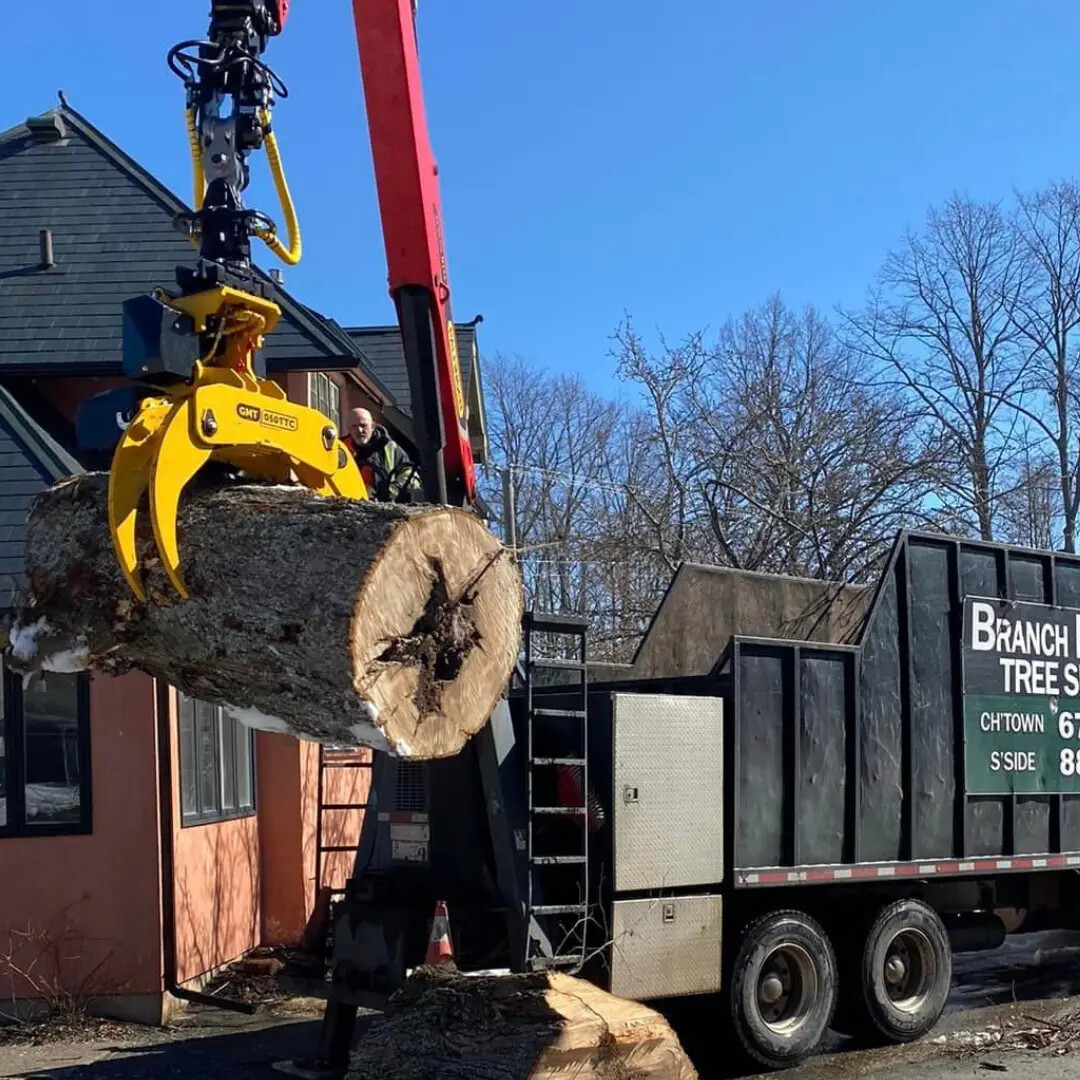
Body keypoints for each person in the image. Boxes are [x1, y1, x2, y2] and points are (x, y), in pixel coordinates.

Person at [343, 407, 421, 502]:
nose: (359, 430)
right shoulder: (341, 450)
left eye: (363, 425)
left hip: (385, 506)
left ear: (372, 427)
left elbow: (411, 474)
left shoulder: (390, 448)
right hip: (348, 505)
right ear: (348, 428)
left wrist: (395, 487)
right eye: (354, 426)